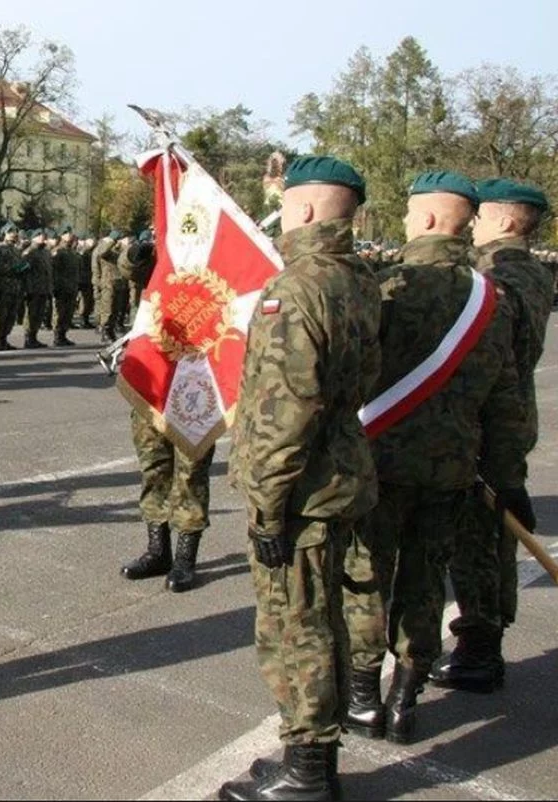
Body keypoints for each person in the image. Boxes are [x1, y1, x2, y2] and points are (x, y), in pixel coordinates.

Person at [339, 171, 529, 748]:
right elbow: (506, 401)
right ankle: (406, 698)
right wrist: (507, 479)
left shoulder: (387, 285)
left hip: (380, 463)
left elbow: (351, 375)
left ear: (422, 219)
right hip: (452, 470)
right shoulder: (492, 299)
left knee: (367, 577)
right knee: (425, 583)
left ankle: (364, 694)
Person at [220, 156, 379, 802]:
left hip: (302, 493)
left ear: (307, 210)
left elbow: (284, 413)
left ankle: (308, 772)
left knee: (296, 626)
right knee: (323, 618)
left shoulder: (298, 289)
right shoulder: (358, 279)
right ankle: (308, 756)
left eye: (286, 204)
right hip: (339, 476)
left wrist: (265, 508)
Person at [431, 179, 552, 693]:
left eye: (480, 215)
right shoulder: (533, 274)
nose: (472, 223)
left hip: (485, 429)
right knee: (492, 540)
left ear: (504, 222)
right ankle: (484, 642)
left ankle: (479, 650)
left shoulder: (496, 281)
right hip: (508, 424)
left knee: (478, 544)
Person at [49, 229, 80, 346]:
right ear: (62, 236)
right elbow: (54, 270)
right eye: (67, 233)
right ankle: (57, 336)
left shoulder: (72, 252)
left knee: (69, 312)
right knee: (60, 312)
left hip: (71, 286)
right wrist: (55, 286)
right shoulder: (58, 251)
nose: (70, 235)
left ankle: (63, 334)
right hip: (61, 286)